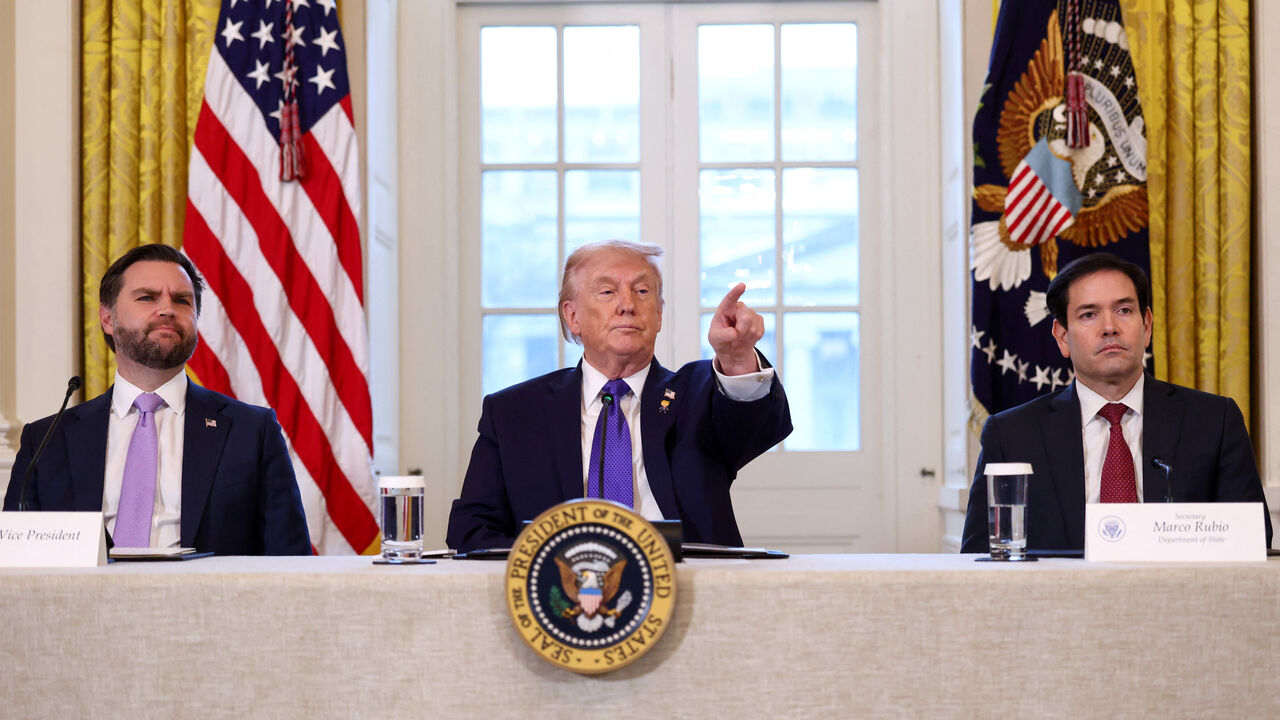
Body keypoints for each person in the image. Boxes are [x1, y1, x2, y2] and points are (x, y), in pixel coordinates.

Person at [446, 240, 792, 552]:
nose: (627, 305)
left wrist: (736, 359)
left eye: (642, 292)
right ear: (573, 316)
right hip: (561, 598)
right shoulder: (514, 412)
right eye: (608, 292)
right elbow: (472, 530)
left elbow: (751, 422)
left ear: (658, 315)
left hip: (690, 591)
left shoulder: (698, 395)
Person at [3, 243, 311, 555]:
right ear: (107, 318)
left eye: (182, 300)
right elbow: (17, 564)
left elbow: (289, 560)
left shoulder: (251, 431)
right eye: (147, 297)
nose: (167, 309)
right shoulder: (47, 440)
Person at [962, 252, 1272, 552]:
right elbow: (980, 558)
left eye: (1124, 310)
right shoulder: (1012, 434)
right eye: (1089, 314)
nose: (1109, 327)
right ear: (1061, 337)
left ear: (1146, 325)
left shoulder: (1213, 421)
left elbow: (1252, 538)